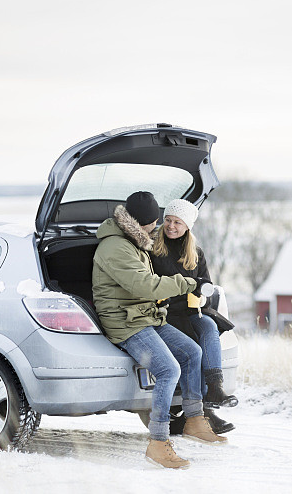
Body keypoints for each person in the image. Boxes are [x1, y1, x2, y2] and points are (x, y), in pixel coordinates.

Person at [91, 191, 225, 470]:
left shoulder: (134, 241)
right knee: (168, 369)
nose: (159, 226)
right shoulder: (115, 247)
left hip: (144, 315)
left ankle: (194, 420)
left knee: (192, 352)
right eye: (157, 221)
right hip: (125, 322)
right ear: (145, 222)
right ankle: (158, 441)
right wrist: (189, 283)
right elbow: (145, 286)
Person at [151, 198, 238, 434]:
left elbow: (206, 285)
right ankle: (202, 412)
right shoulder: (153, 250)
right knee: (195, 348)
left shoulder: (195, 253)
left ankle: (215, 389)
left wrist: (201, 297)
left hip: (191, 311)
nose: (171, 226)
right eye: (168, 220)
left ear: (187, 226)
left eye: (177, 222)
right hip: (166, 313)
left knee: (209, 326)